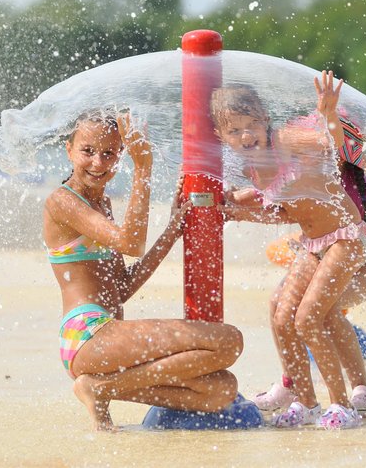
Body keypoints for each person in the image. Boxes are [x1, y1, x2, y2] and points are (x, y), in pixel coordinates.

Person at [43, 108, 243, 431]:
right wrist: (144, 167)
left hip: (106, 337)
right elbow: (131, 242)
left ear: (119, 154)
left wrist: (172, 229)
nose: (97, 162)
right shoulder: (61, 202)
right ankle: (98, 387)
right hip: (87, 334)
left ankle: (100, 387)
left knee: (221, 389)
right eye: (87, 151)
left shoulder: (103, 205)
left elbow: (122, 287)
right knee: (229, 341)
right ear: (69, 150)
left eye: (109, 153)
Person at [211, 71, 366, 429]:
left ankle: (340, 404)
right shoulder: (254, 170)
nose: (245, 135)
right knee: (281, 313)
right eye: (234, 130)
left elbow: (336, 146)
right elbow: (281, 211)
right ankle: (307, 401)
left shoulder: (286, 140)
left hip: (345, 238)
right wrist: (231, 210)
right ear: (221, 137)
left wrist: (328, 115)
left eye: (252, 124)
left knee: (307, 318)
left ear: (266, 121)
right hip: (314, 244)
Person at [253, 121, 366, 419]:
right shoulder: (306, 180)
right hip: (325, 253)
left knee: (326, 310)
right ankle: (290, 382)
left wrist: (340, 258)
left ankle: (363, 388)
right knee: (278, 302)